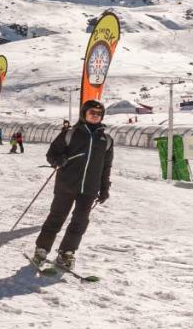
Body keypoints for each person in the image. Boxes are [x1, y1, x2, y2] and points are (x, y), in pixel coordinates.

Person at [32, 99, 113, 271]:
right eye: (92, 112)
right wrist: (57, 160)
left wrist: (104, 188)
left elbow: (106, 166)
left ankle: (66, 252)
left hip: (89, 189)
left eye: (99, 114)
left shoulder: (105, 140)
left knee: (80, 222)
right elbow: (52, 153)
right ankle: (41, 250)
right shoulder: (70, 133)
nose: (95, 116)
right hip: (66, 185)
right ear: (84, 113)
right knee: (56, 218)